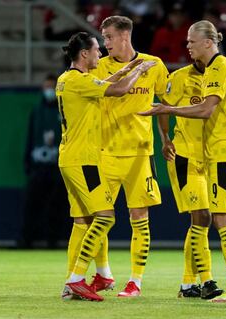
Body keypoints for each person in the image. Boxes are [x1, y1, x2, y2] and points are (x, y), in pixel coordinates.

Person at [140, 20, 226, 302]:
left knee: (217, 218)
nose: (187, 46)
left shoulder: (219, 68)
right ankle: (206, 280)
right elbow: (220, 114)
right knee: (207, 217)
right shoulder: (184, 77)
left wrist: (167, 108)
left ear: (207, 42)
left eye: (191, 41)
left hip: (223, 154)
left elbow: (205, 111)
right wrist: (165, 137)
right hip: (190, 156)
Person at [57, 31, 155, 301]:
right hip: (84, 160)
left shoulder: (67, 80)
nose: (101, 54)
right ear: (84, 54)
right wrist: (140, 70)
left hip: (68, 158)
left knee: (83, 220)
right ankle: (77, 278)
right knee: (106, 217)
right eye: (97, 50)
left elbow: (101, 83)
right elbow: (120, 90)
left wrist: (127, 67)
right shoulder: (79, 82)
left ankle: (81, 280)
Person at [87, 15, 169, 297]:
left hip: (139, 154)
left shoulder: (155, 65)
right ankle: (103, 273)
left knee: (139, 216)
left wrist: (165, 138)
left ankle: (136, 281)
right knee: (98, 216)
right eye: (103, 38)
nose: (104, 43)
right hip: (106, 152)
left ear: (124, 36)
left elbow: (164, 104)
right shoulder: (99, 67)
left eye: (108, 37)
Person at [21, 74, 69, 249]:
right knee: (31, 204)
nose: (48, 91)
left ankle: (52, 241)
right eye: (45, 87)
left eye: (51, 87)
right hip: (38, 167)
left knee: (55, 206)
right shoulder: (37, 111)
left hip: (57, 167)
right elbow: (30, 137)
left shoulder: (64, 109)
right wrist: (27, 161)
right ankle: (26, 240)